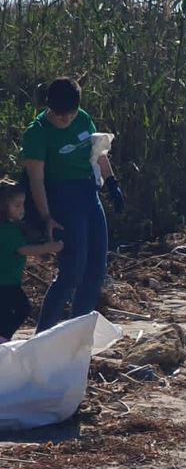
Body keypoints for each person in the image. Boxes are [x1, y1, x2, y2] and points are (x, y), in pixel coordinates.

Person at [22, 78, 123, 332]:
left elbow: (98, 152)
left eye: (70, 114)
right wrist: (46, 217)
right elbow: (36, 179)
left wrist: (112, 183)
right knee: (72, 272)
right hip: (62, 198)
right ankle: (43, 336)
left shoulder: (83, 118)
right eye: (59, 114)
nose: (65, 119)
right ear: (49, 107)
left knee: (95, 270)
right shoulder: (37, 132)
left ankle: (77, 335)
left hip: (88, 195)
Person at [2, 180, 64, 340]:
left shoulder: (13, 228)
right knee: (22, 309)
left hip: (10, 281)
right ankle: (3, 338)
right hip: (5, 283)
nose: (22, 209)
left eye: (23, 205)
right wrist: (50, 248)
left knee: (13, 311)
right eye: (17, 206)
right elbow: (24, 250)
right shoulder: (7, 231)